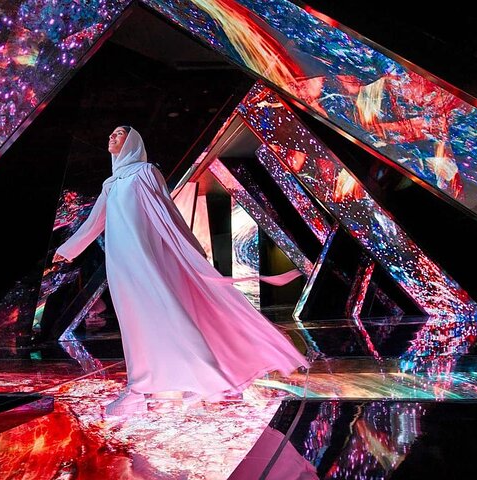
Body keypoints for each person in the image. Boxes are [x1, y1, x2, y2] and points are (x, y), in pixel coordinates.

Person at [53, 126, 309, 415]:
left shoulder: (146, 171)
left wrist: (190, 248)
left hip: (146, 258)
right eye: (110, 133)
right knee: (134, 322)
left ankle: (188, 380)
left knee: (168, 314)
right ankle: (147, 387)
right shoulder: (110, 183)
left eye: (119, 133)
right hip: (120, 263)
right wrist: (67, 250)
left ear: (133, 140)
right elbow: (94, 222)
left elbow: (167, 212)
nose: (111, 136)